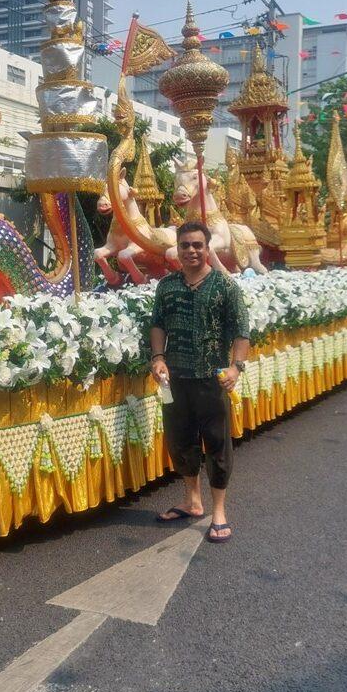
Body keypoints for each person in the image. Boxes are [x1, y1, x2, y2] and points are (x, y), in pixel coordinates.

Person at [149, 220, 250, 543]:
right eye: (185, 245)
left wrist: (236, 367)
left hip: (213, 379)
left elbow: (241, 330)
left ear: (207, 249)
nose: (191, 251)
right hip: (175, 380)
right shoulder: (167, 286)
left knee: (216, 444)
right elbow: (157, 324)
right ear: (177, 249)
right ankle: (192, 501)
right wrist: (158, 358)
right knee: (180, 441)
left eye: (197, 245)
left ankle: (218, 511)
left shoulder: (224, 286)